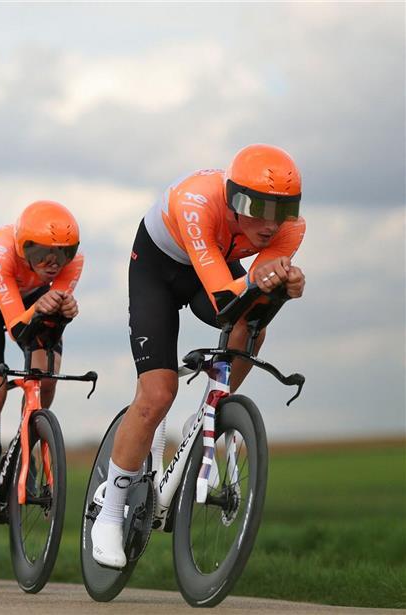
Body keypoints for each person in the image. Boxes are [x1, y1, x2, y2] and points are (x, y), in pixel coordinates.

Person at [91, 144, 307, 568]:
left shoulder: (290, 229)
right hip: (159, 270)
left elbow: (255, 296)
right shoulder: (197, 201)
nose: (271, 224)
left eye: (282, 210)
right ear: (234, 199)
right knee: (157, 393)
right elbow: (225, 296)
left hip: (211, 266)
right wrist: (264, 283)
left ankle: (210, 408)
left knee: (255, 324)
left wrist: (282, 285)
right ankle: (110, 514)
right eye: (259, 208)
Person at [0, 200, 84, 548]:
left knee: (45, 382)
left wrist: (64, 310)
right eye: (42, 253)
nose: (53, 263)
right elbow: (17, 328)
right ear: (22, 246)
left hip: (33, 300)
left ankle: (27, 441)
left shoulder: (74, 263)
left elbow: (50, 321)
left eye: (63, 253)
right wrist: (40, 308)